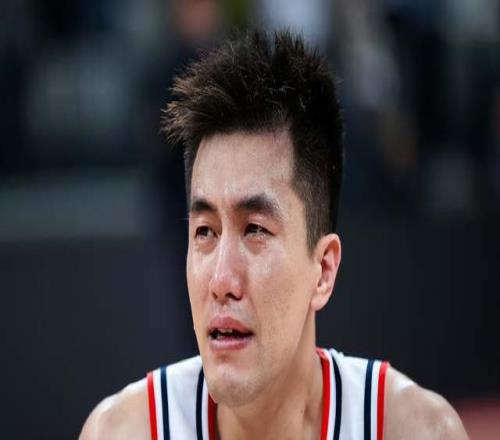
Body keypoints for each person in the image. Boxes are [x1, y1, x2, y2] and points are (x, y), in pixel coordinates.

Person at [80, 30, 468, 440]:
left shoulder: (414, 430)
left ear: (323, 271)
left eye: (255, 230)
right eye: (205, 232)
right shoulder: (122, 432)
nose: (221, 281)